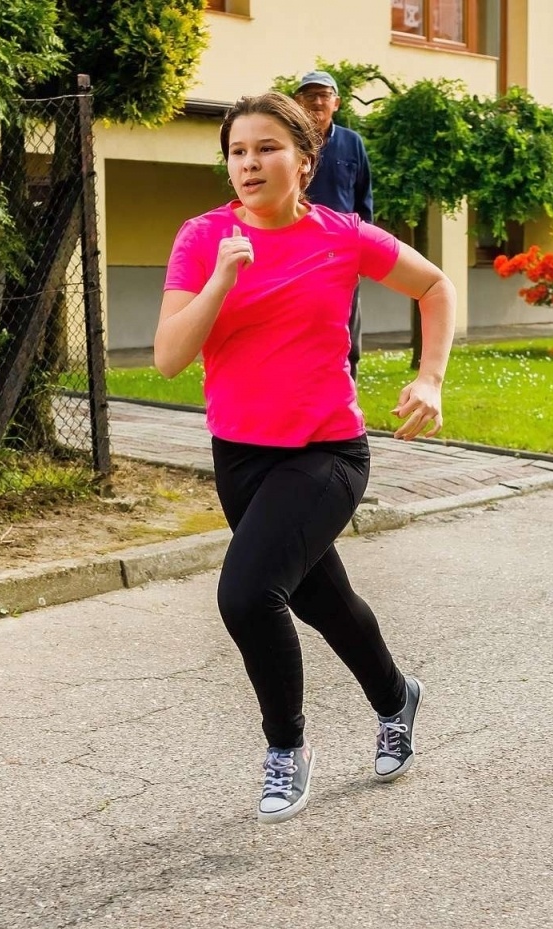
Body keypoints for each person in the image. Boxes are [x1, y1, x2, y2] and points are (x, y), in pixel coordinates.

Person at [153, 92, 455, 824]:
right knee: (323, 601)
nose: (250, 164)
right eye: (237, 151)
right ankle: (396, 697)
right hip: (241, 457)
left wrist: (431, 377)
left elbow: (434, 286)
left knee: (247, 595)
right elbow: (167, 358)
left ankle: (286, 748)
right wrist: (223, 278)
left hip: (326, 453)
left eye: (267, 148)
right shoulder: (202, 238)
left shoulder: (344, 236)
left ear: (305, 160)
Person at [293, 70, 373, 378]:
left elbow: (363, 199)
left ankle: (347, 386)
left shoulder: (352, 144)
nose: (316, 102)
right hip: (298, 246)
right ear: (297, 102)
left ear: (336, 102)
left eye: (323, 95)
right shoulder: (290, 143)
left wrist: (364, 248)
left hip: (342, 249)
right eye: (309, 95)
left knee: (346, 325)